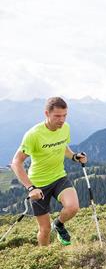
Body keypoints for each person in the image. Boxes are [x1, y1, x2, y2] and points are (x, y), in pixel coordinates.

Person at [10, 97, 87, 246]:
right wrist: (31, 188)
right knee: (44, 230)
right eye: (57, 116)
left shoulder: (65, 128)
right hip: (39, 184)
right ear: (46, 113)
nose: (61, 120)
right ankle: (46, 258)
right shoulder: (33, 135)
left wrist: (74, 156)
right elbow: (16, 163)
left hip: (59, 177)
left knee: (73, 207)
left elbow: (63, 145)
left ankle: (58, 224)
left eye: (64, 115)